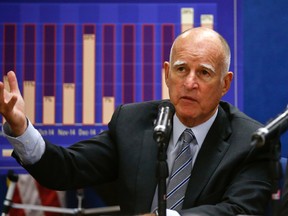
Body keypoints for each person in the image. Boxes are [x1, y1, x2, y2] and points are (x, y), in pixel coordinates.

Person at [0, 27, 272, 216]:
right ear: (167, 74)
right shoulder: (133, 122)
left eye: (204, 73)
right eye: (181, 69)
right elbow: (67, 169)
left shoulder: (251, 141)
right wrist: (21, 128)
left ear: (225, 83)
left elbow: (241, 211)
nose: (190, 83)